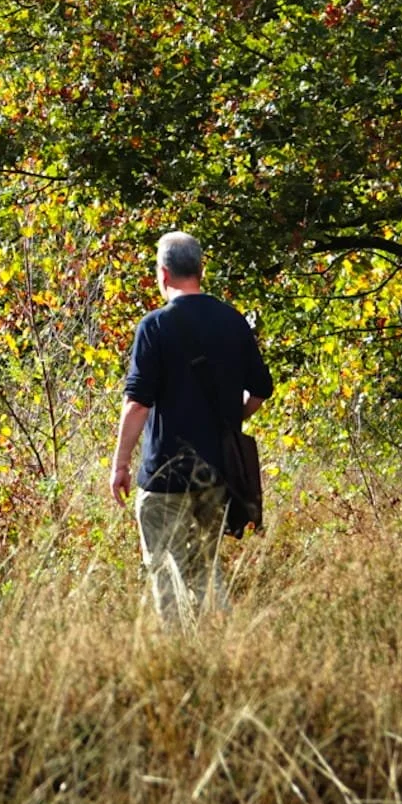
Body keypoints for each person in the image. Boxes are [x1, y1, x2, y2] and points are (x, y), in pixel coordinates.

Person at [109, 232, 274, 624]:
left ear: (162, 275)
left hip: (165, 477)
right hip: (217, 475)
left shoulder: (154, 327)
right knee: (203, 567)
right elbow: (261, 389)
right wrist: (235, 418)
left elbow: (137, 404)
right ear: (201, 269)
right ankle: (218, 642)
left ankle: (185, 654)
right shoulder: (232, 321)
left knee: (168, 573)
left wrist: (120, 464)